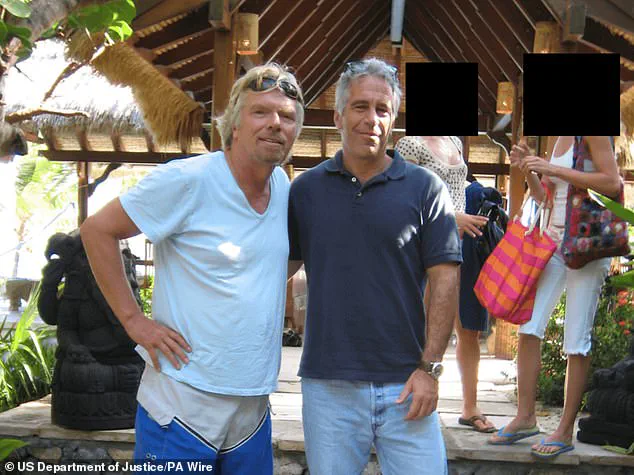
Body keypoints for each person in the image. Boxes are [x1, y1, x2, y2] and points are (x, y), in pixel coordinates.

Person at [80, 63, 304, 474]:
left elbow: (269, 268)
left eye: (287, 117)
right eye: (260, 112)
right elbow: (97, 230)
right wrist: (133, 321)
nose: (275, 123)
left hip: (252, 410)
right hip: (181, 406)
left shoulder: (284, 191)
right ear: (234, 124)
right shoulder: (188, 179)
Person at [288, 58, 462, 474]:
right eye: (360, 106)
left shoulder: (425, 188)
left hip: (407, 382)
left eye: (382, 109)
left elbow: (446, 281)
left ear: (393, 120)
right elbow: (277, 270)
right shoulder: (305, 190)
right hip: (329, 386)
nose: (371, 118)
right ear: (338, 116)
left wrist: (430, 369)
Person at [489, 136, 622, 458]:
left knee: (576, 340)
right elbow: (544, 198)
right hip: (552, 243)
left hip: (586, 245)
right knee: (528, 327)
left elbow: (611, 182)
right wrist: (529, 169)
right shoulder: (559, 137)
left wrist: (551, 168)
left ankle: (564, 429)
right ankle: (525, 417)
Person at [395, 136, 494, 433]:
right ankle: (417, 401)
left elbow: (457, 188)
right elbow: (402, 201)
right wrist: (451, 218)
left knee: (469, 328)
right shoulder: (409, 144)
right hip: (425, 245)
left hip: (462, 242)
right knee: (425, 327)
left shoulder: (454, 141)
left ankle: (470, 407)